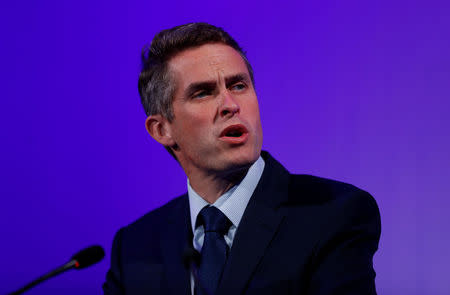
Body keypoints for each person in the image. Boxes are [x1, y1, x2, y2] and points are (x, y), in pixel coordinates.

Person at [103, 22, 381, 295]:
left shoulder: (333, 213)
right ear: (162, 129)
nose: (230, 105)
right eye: (203, 93)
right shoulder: (135, 247)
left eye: (238, 86)